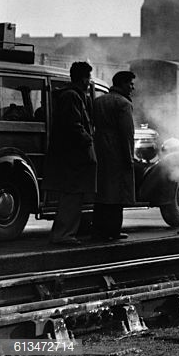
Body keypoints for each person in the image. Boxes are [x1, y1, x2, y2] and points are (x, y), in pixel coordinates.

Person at [43, 61, 96, 246]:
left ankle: (63, 233)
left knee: (72, 196)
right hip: (74, 157)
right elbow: (73, 126)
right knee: (72, 196)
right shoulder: (73, 97)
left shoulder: (71, 95)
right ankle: (63, 235)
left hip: (70, 156)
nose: (90, 82)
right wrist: (88, 140)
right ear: (83, 79)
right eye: (89, 77)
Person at [91, 70, 137, 241]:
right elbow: (127, 134)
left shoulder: (98, 101)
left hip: (99, 147)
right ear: (122, 83)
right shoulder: (123, 104)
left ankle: (98, 230)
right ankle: (113, 231)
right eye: (130, 84)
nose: (133, 87)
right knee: (117, 194)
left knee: (102, 193)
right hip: (117, 150)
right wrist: (129, 158)